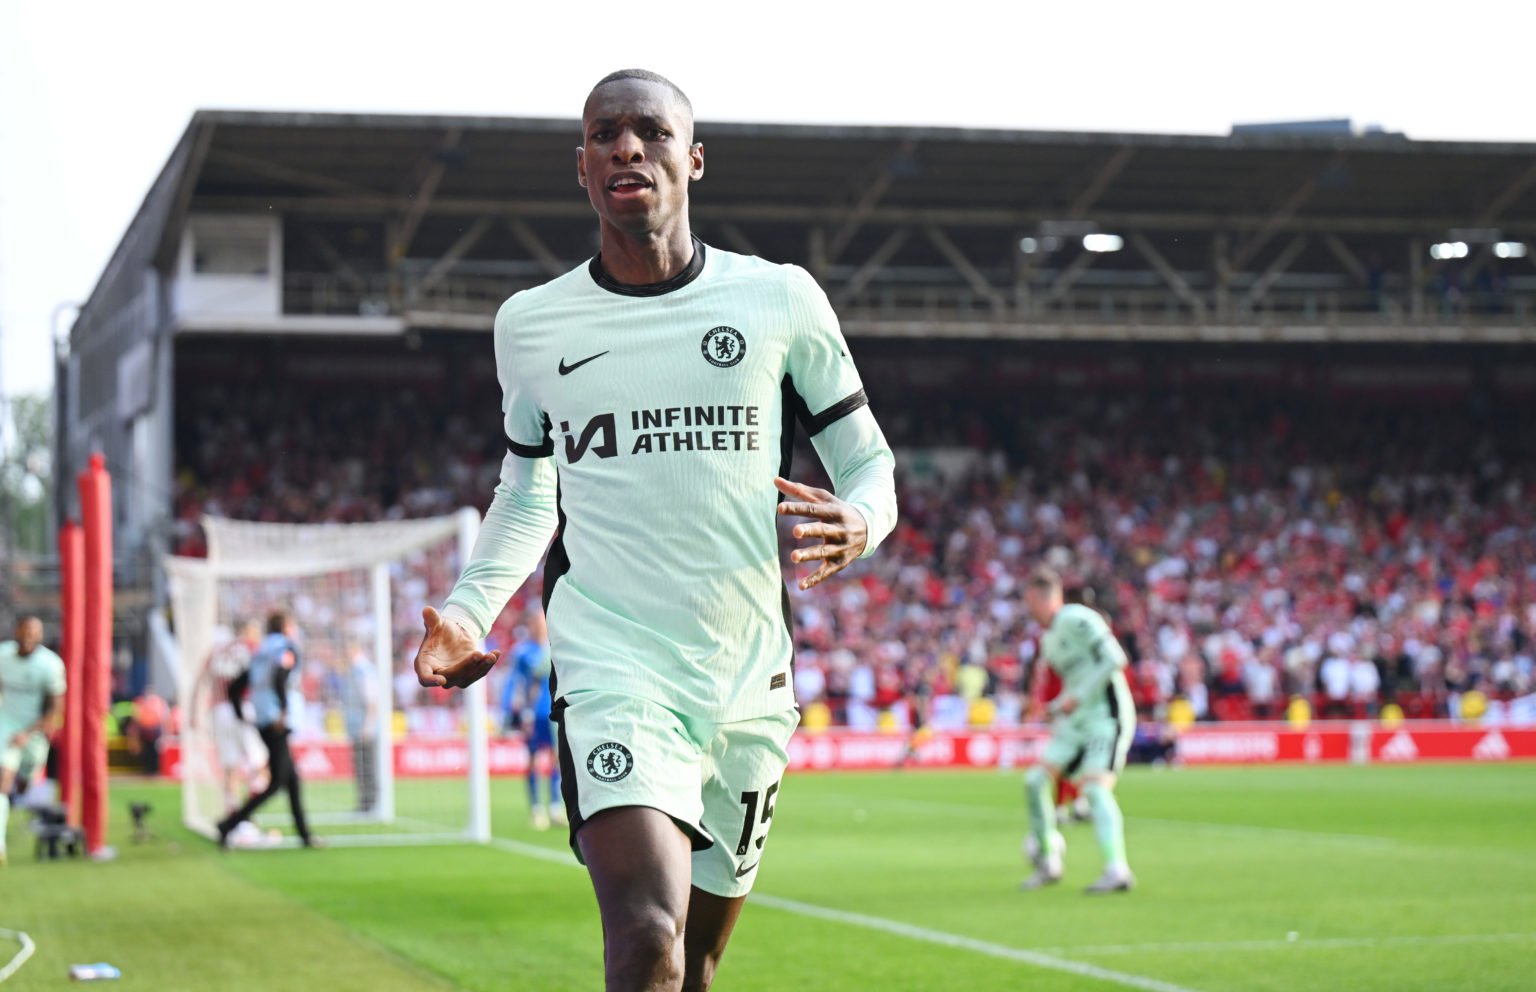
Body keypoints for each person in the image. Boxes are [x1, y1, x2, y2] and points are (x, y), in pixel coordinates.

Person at [411, 69, 897, 992]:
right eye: (605, 135)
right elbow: (528, 488)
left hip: (749, 680)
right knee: (645, 938)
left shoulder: (780, 300)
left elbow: (872, 464)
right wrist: (470, 611)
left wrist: (863, 519)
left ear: (694, 159)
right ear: (583, 169)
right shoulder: (533, 324)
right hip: (614, 668)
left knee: (699, 964)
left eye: (651, 132)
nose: (627, 147)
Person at [1020, 568, 1137, 894]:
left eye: (1030, 602)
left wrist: (1077, 697)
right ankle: (1049, 860)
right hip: (1076, 722)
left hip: (1105, 716)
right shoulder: (1048, 640)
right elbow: (1072, 682)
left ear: (1043, 598)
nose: (1028, 610)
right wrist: (1056, 707)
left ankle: (1117, 869)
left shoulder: (1077, 617)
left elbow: (1115, 658)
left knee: (1097, 790)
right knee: (1034, 781)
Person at [216, 611, 319, 848]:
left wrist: (242, 714)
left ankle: (305, 836)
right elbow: (281, 676)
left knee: (292, 781)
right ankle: (228, 824)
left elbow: (235, 686)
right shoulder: (286, 648)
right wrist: (282, 710)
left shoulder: (260, 651)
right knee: (277, 783)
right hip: (277, 721)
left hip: (263, 719)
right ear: (285, 626)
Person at [0, 616, 66, 867]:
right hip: (6, 727)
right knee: (3, 779)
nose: (27, 637)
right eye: (23, 632)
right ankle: (0, 847)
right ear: (16, 632)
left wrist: (27, 733)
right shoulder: (3, 656)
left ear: (39, 637)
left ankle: (20, 788)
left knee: (25, 780)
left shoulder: (50, 665)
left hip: (35, 732)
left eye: (32, 634)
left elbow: (55, 711)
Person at [501, 612, 564, 830]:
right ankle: (537, 809)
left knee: (557, 760)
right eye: (536, 623)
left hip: (554, 712)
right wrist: (516, 712)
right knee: (534, 760)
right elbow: (516, 683)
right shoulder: (524, 653)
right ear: (531, 626)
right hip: (533, 714)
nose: (540, 626)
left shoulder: (556, 648)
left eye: (543, 622)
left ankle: (556, 807)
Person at [341, 643, 379, 813]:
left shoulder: (363, 671)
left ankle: (370, 803)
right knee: (361, 766)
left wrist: (367, 726)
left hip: (365, 728)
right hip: (357, 727)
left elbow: (372, 701)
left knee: (367, 766)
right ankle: (365, 802)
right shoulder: (354, 671)